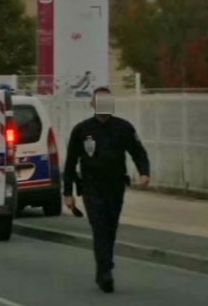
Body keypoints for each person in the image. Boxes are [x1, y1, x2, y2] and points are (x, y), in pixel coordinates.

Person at [63, 87, 150, 293]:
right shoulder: (82, 130)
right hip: (92, 188)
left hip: (116, 187)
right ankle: (105, 272)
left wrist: (144, 172)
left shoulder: (123, 128)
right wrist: (68, 193)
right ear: (92, 104)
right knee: (100, 228)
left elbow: (138, 152)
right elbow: (70, 163)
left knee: (110, 229)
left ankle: (104, 266)